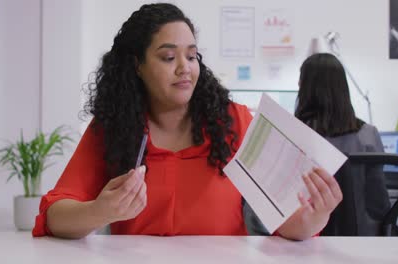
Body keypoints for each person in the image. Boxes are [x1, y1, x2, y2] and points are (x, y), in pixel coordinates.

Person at [32, 3, 342, 240]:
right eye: (169, 58)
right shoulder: (111, 128)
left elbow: (288, 224)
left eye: (192, 57)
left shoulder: (233, 121)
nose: (185, 68)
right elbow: (54, 215)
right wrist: (99, 211)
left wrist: (318, 214)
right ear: (137, 66)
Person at [295, 53, 390, 235]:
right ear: (342, 88)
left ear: (305, 88)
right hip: (363, 241)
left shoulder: (294, 135)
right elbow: (379, 205)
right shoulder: (368, 135)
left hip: (307, 238)